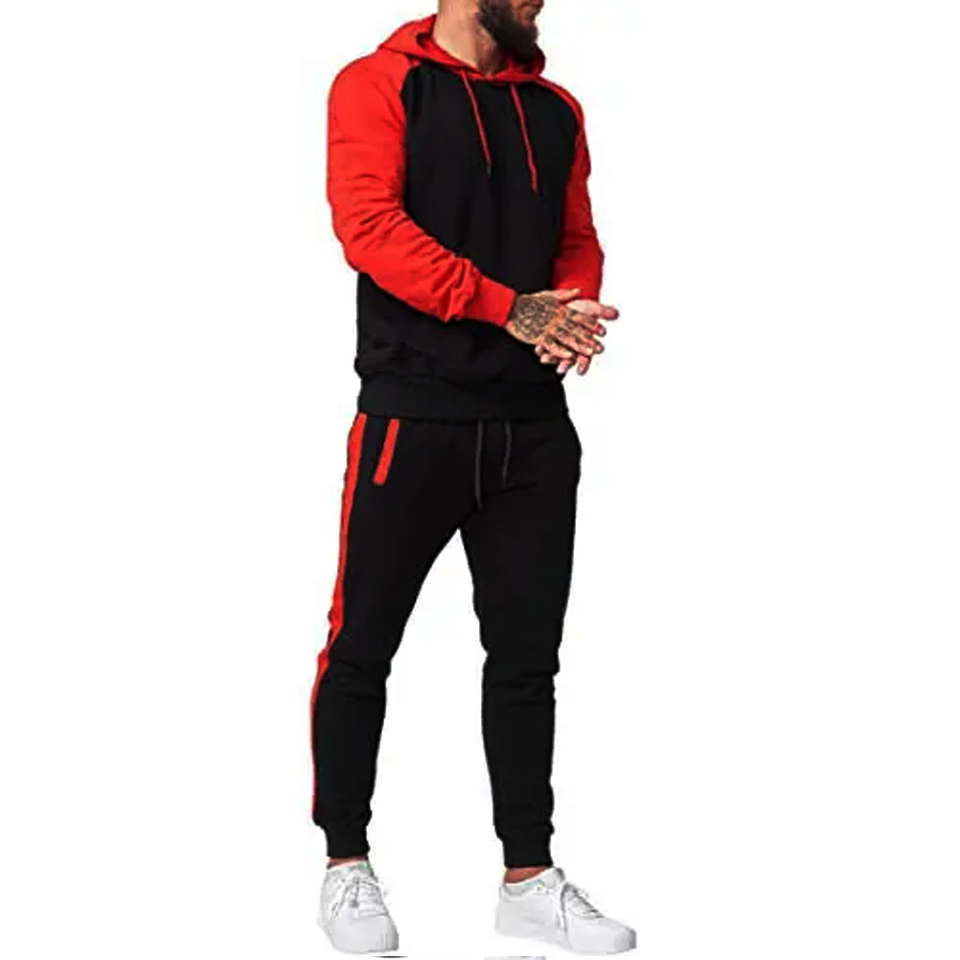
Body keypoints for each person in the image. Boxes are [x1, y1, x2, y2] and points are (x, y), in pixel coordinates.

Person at [311, 1, 635, 953]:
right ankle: (344, 863)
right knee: (361, 647)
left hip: (534, 429)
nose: (540, 1)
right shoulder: (377, 84)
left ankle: (528, 877)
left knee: (528, 661)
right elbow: (370, 228)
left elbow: (576, 235)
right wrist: (509, 310)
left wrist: (568, 311)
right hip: (412, 418)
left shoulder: (556, 109)